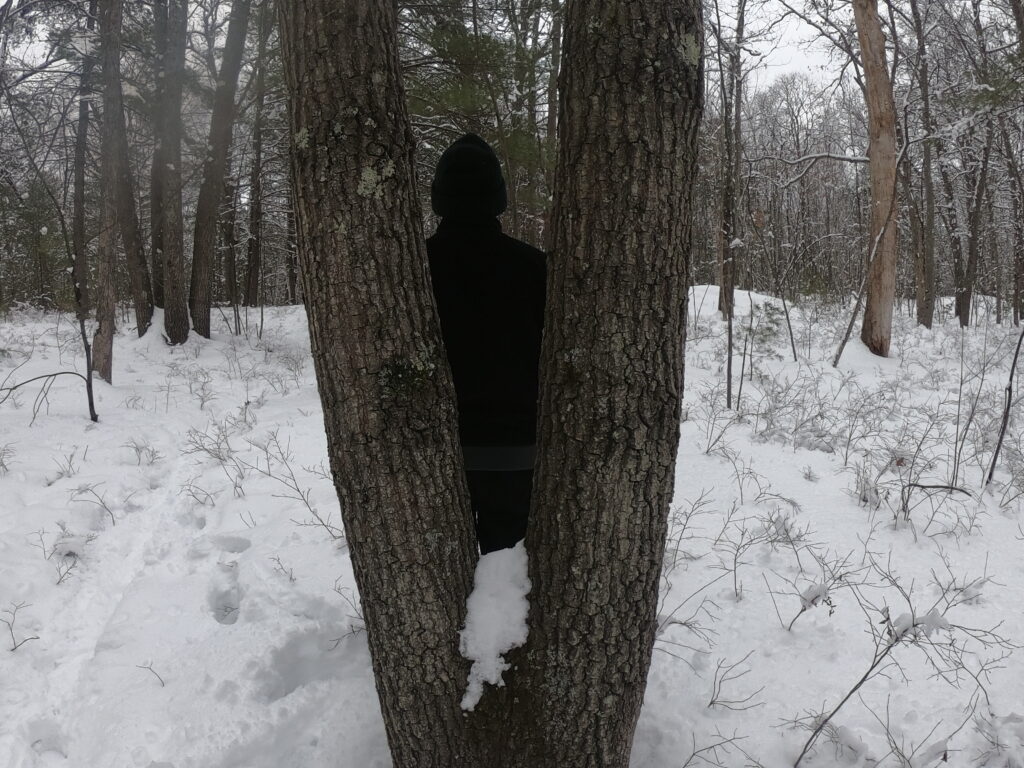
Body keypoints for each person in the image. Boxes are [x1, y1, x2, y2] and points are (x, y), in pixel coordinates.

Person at [426, 134, 546, 554]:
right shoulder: (535, 268)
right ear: (499, 197)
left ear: (439, 197)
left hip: (433, 454)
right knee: (509, 578)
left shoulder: (411, 271)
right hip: (517, 453)